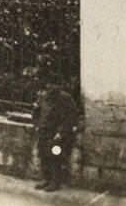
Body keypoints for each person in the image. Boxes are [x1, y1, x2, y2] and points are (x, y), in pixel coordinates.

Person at [32, 56, 80, 192]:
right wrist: (36, 125)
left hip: (56, 135)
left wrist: (61, 132)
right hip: (43, 132)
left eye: (54, 84)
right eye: (49, 84)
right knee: (43, 155)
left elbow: (71, 117)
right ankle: (46, 179)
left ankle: (55, 181)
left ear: (59, 85)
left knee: (55, 156)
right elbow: (36, 111)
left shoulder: (65, 98)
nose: (51, 87)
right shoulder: (44, 97)